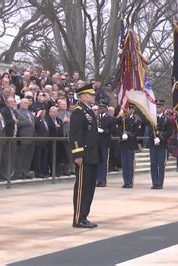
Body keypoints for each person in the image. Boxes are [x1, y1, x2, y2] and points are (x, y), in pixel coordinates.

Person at [69, 83, 101, 228]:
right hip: (84, 155)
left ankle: (84, 216)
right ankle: (78, 218)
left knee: (89, 187)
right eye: (91, 94)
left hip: (92, 155)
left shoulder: (88, 111)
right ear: (82, 96)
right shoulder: (78, 112)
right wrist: (78, 154)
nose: (94, 96)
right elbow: (75, 135)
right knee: (82, 187)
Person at [149, 100, 173, 189]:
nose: (157, 108)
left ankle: (160, 183)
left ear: (162, 108)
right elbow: (149, 131)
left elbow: (170, 132)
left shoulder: (166, 119)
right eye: (156, 107)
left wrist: (161, 138)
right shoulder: (152, 118)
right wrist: (153, 137)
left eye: (159, 107)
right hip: (153, 144)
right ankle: (154, 182)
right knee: (153, 164)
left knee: (161, 164)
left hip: (162, 145)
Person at [117, 103, 142, 188]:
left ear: (133, 110)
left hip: (131, 144)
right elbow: (115, 122)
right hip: (123, 144)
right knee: (124, 164)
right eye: (126, 108)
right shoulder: (123, 118)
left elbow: (137, 132)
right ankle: (126, 181)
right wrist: (121, 115)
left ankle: (130, 181)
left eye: (129, 108)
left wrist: (129, 135)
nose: (127, 110)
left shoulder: (136, 120)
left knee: (130, 164)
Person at [96, 100, 116, 187]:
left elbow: (113, 130)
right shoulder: (95, 118)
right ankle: (97, 179)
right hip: (96, 143)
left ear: (106, 109)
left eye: (102, 108)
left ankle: (102, 180)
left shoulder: (110, 119)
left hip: (105, 142)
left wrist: (103, 131)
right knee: (96, 161)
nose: (100, 109)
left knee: (103, 161)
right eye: (99, 107)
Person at [14, 98, 36, 179]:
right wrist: (26, 122)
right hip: (22, 137)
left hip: (31, 137)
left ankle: (25, 172)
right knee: (20, 157)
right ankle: (18, 173)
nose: (26, 104)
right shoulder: (17, 112)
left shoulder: (30, 113)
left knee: (28, 156)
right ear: (20, 103)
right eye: (24, 103)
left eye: (27, 103)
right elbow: (17, 123)